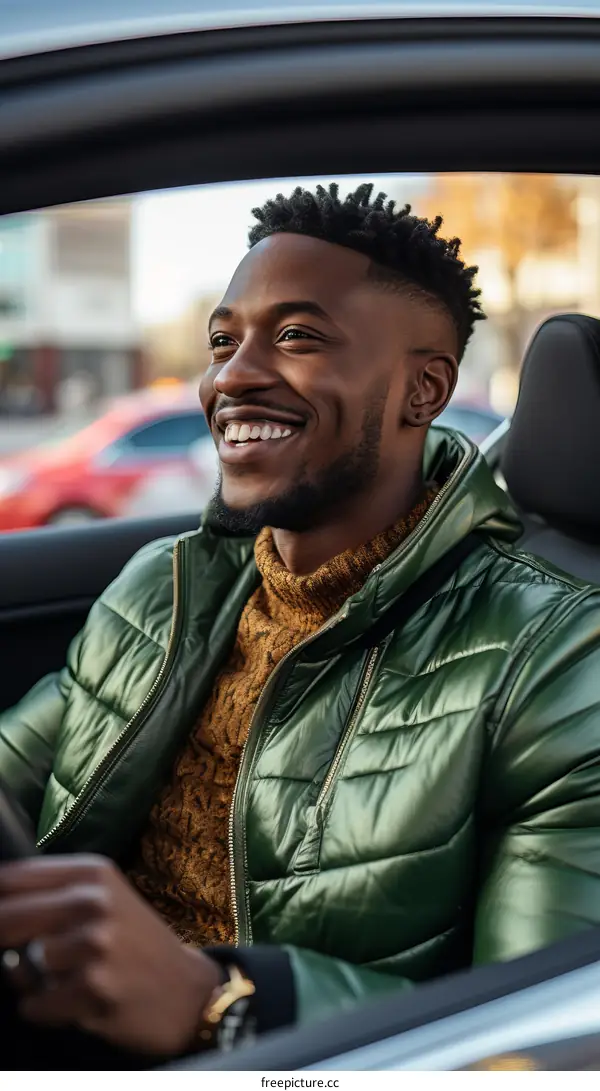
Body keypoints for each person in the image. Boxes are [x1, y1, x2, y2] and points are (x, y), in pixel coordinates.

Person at [2, 182, 600, 1068]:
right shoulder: (160, 587)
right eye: (222, 339)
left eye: (297, 336)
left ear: (423, 388)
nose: (231, 375)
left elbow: (542, 1050)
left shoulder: (556, 657)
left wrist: (229, 1001)